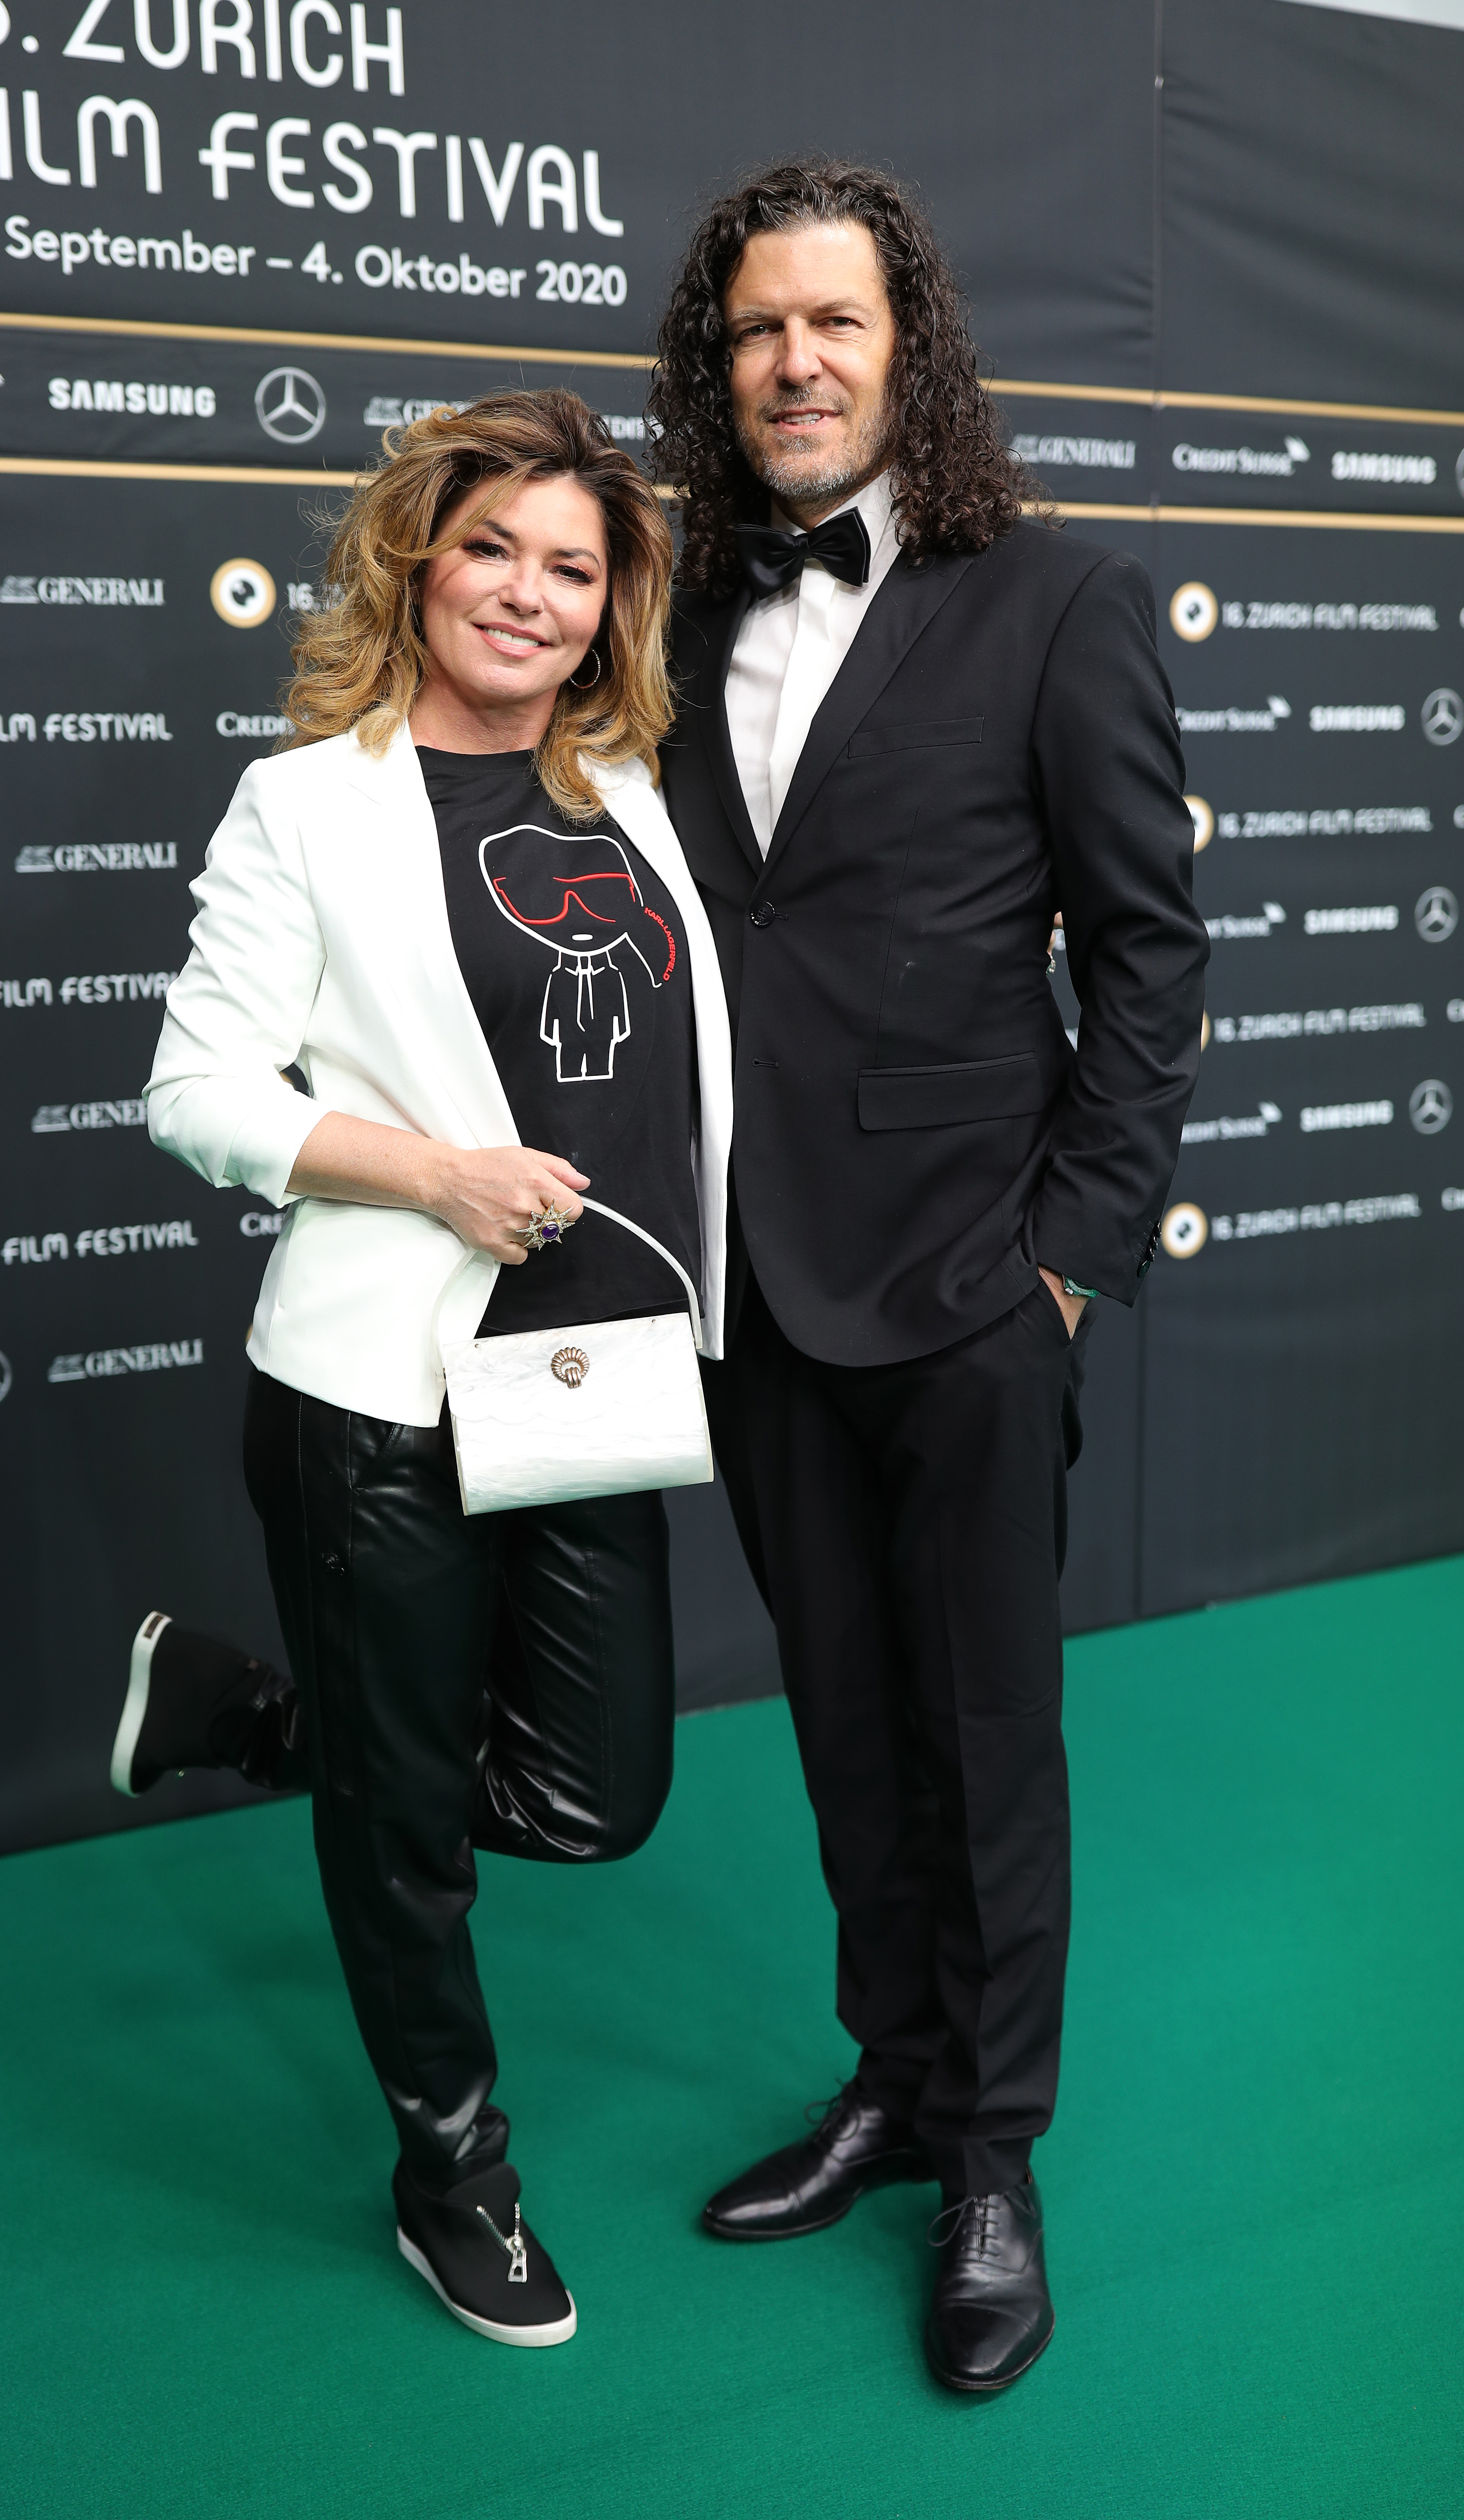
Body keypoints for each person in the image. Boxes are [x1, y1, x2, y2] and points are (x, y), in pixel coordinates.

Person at [644, 160, 1208, 2392]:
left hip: (975, 1284)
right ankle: (888, 2077)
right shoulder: (669, 603)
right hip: (750, 1285)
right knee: (847, 1723)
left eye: (835, 326)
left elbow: (1149, 955)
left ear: (910, 351)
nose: (796, 361)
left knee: (987, 1736)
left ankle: (993, 2154)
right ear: (722, 361)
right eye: (760, 329)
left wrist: (1064, 1266)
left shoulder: (1056, 597)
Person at [134, 388, 734, 2349]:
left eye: (573, 567)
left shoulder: (626, 789)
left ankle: (253, 1720)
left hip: (590, 1383)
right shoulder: (307, 801)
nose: (529, 594)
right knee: (409, 1834)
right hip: (376, 1384)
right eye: (495, 548)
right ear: (419, 553)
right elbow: (197, 1091)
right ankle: (451, 2181)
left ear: (609, 605)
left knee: (592, 1794)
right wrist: (431, 1171)